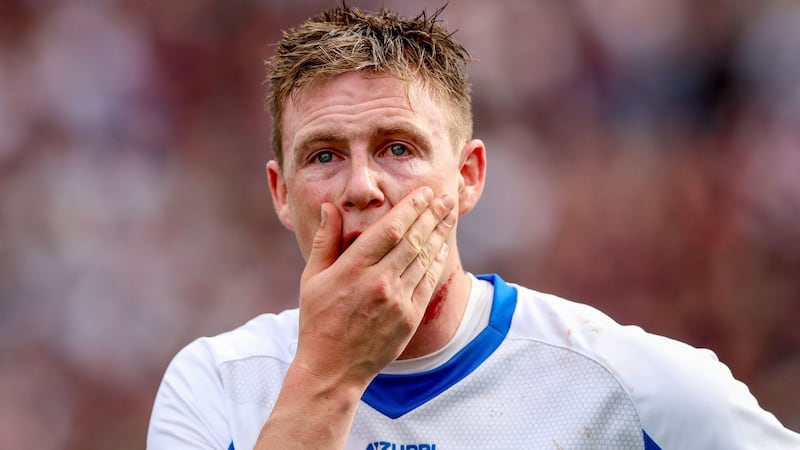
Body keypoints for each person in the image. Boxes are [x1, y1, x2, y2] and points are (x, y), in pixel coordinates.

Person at [147, 4, 800, 449]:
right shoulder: (215, 386)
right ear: (280, 194)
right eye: (324, 155)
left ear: (469, 177)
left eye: (397, 147)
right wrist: (332, 372)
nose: (363, 187)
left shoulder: (625, 384)